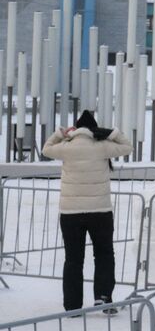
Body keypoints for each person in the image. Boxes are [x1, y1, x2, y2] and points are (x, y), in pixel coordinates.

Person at [41, 109, 133, 312]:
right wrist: (111, 133)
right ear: (94, 128)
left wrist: (61, 134)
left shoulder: (66, 147)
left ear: (77, 128)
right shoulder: (102, 146)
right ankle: (103, 297)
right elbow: (128, 146)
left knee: (73, 259)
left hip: (70, 214)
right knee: (104, 254)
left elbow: (46, 149)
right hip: (100, 212)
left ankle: (73, 305)